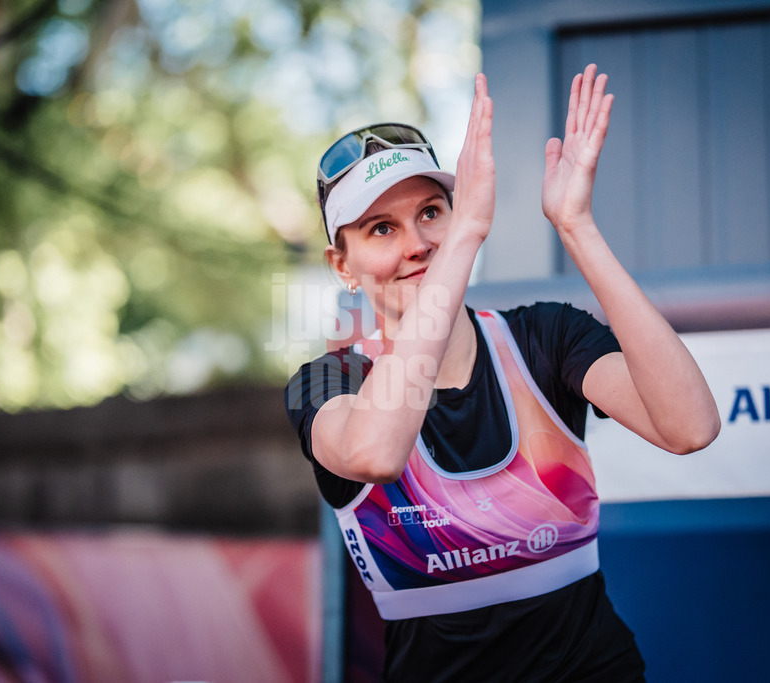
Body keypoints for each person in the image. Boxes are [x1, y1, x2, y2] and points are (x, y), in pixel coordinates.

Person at [284, 65, 720, 682]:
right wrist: (461, 239)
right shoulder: (325, 383)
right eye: (383, 228)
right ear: (342, 264)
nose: (417, 243)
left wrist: (577, 226)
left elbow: (691, 427)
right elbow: (377, 452)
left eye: (432, 213)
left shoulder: (543, 336)